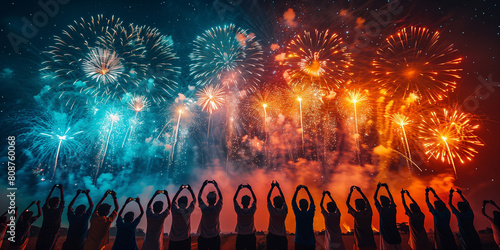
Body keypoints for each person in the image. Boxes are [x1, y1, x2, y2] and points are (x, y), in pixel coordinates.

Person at [346, 186, 376, 250]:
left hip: (360, 242)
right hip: (370, 241)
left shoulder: (356, 215)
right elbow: (367, 202)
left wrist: (350, 192)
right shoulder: (369, 213)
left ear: (356, 207)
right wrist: (360, 191)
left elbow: (347, 203)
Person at [36, 184, 65, 250]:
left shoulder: (46, 210)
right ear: (57, 203)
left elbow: (47, 200)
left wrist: (52, 189)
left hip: (43, 232)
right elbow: (62, 201)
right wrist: (61, 189)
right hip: (52, 234)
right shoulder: (58, 212)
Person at [374, 182, 402, 250]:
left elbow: (375, 198)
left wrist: (377, 188)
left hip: (386, 235)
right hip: (395, 235)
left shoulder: (381, 210)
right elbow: (392, 199)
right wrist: (387, 189)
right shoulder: (392, 210)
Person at [198, 180, 223, 250]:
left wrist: (203, 186)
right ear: (215, 200)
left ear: (207, 200)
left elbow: (199, 198)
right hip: (215, 237)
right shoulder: (217, 209)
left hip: (203, 237)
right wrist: (216, 186)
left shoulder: (204, 209)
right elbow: (221, 198)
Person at [170, 184, 196, 250]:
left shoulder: (174, 211)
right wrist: (191, 190)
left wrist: (180, 190)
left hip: (174, 239)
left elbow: (173, 202)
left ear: (178, 204)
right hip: (185, 239)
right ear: (187, 204)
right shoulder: (188, 211)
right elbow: (194, 200)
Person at [233, 184, 257, 250]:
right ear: (249, 203)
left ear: (241, 202)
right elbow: (255, 200)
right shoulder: (251, 211)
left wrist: (238, 189)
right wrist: (250, 189)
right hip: (250, 236)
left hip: (240, 236)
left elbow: (234, 200)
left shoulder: (239, 211)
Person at [292, 184, 316, 250]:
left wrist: (296, 191)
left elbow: (293, 202)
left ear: (299, 206)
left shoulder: (298, 214)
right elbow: (312, 203)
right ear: (308, 205)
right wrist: (307, 190)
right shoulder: (310, 214)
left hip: (299, 242)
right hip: (310, 242)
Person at [266, 181, 288, 250]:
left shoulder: (272, 211)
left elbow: (268, 199)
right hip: (282, 237)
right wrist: (279, 188)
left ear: (274, 204)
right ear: (282, 204)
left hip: (272, 236)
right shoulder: (284, 211)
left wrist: (272, 187)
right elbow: (284, 200)